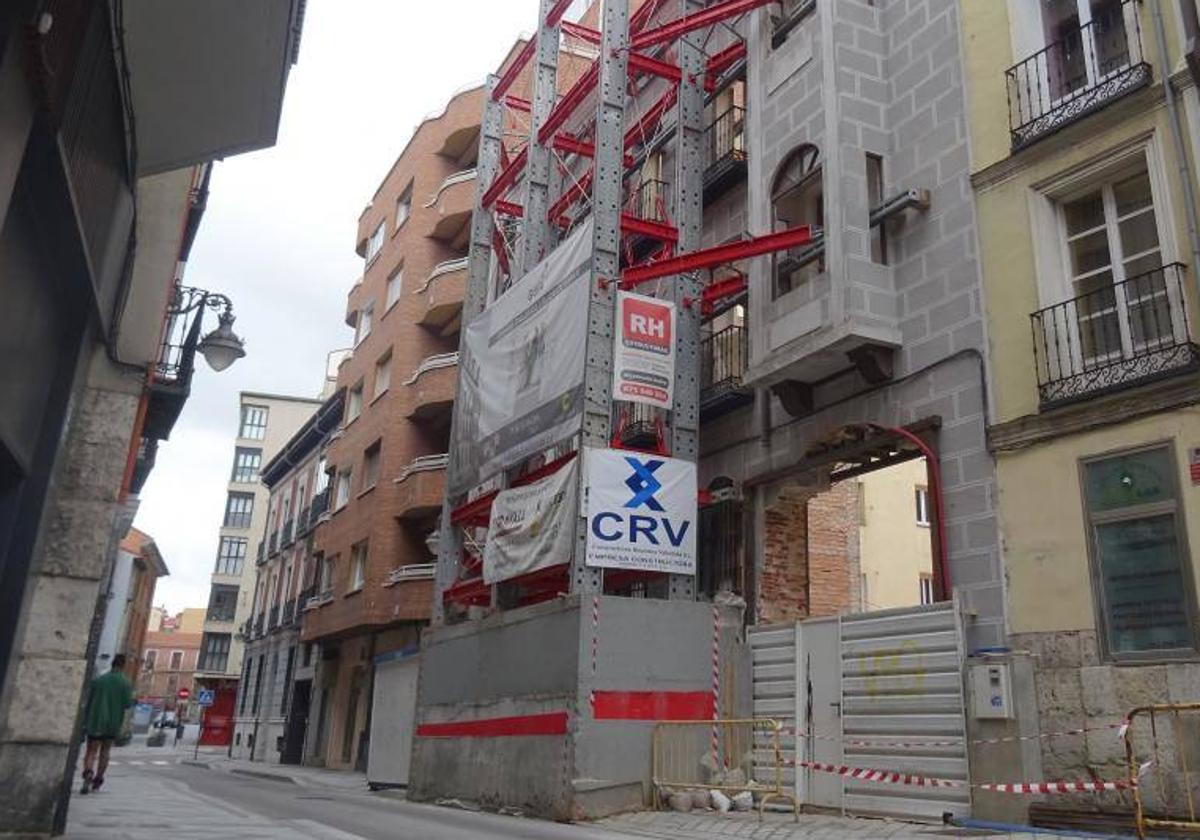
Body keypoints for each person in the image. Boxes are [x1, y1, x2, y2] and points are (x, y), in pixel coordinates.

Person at [79, 654, 134, 795]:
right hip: (113, 723)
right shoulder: (125, 683)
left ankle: (88, 773)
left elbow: (88, 701)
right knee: (105, 752)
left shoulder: (99, 681)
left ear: (112, 664)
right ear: (123, 666)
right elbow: (128, 704)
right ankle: (98, 780)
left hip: (96, 721)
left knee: (91, 751)